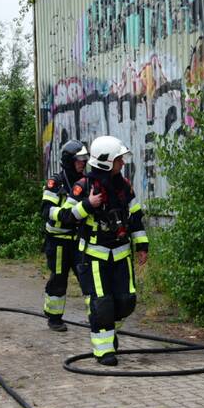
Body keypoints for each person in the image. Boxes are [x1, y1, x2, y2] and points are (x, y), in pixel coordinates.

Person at [58, 135, 148, 366]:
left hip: (121, 254)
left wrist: (142, 246)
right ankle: (104, 350)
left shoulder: (123, 186)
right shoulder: (83, 187)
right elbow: (66, 217)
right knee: (102, 304)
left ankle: (107, 329)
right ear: (107, 161)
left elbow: (136, 216)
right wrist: (88, 205)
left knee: (126, 301)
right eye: (119, 159)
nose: (123, 163)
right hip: (94, 257)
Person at [41, 140, 89, 331]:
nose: (82, 163)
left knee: (87, 279)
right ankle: (54, 318)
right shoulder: (56, 182)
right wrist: (65, 216)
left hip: (78, 241)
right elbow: (46, 211)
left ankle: (97, 317)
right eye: (79, 160)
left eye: (84, 159)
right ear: (69, 160)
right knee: (59, 280)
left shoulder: (85, 182)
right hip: (58, 242)